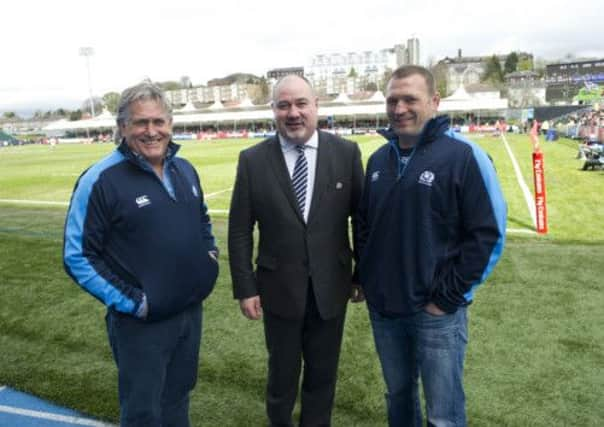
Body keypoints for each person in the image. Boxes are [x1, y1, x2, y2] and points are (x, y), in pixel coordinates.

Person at [356, 65, 506, 426]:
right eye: (393, 100)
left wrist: (447, 297)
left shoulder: (464, 155)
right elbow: (364, 227)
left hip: (436, 311)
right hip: (385, 309)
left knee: (443, 412)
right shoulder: (379, 159)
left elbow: (488, 234)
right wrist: (365, 277)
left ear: (434, 102)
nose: (399, 108)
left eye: (410, 99)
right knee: (399, 396)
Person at [63, 81, 219, 427]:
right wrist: (136, 302)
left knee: (178, 400)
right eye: (140, 123)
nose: (152, 131)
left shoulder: (185, 169)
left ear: (170, 124)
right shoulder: (99, 179)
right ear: (122, 127)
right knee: (143, 413)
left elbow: (202, 219)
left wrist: (210, 256)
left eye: (159, 122)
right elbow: (77, 256)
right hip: (141, 325)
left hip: (189, 313)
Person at [228, 74, 364, 427]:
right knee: (281, 376)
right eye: (284, 105)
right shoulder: (253, 160)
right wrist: (246, 288)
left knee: (323, 377)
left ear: (316, 106)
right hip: (277, 290)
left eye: (301, 103)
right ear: (273, 110)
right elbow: (240, 230)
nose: (293, 113)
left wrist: (360, 275)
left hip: (331, 289)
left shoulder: (347, 154)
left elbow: (360, 221)